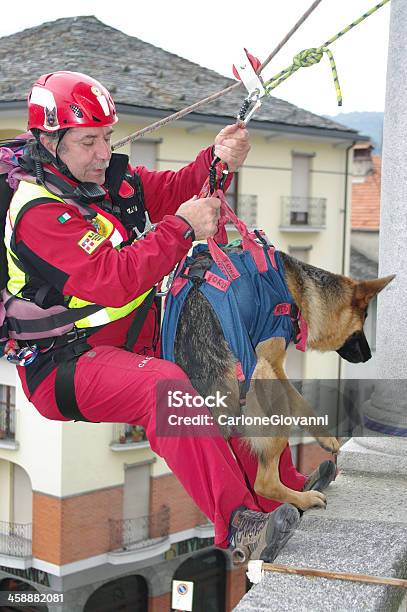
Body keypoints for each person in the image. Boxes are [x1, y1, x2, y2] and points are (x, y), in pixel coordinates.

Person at [5, 71, 333, 563]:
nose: (102, 152)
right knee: (166, 390)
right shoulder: (38, 212)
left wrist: (216, 160)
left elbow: (179, 187)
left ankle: (279, 489)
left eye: (107, 138)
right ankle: (242, 527)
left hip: (137, 340)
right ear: (49, 141)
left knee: (228, 367)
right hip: (65, 363)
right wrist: (182, 228)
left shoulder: (108, 183)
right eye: (88, 141)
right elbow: (111, 278)